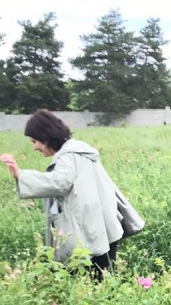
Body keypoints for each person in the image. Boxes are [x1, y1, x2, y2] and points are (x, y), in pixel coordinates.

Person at [0, 110, 125, 273]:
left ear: (46, 137)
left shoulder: (67, 157)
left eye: (34, 141)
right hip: (103, 225)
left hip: (90, 231)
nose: (34, 147)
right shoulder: (80, 151)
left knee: (91, 282)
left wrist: (20, 175)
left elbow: (60, 182)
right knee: (104, 281)